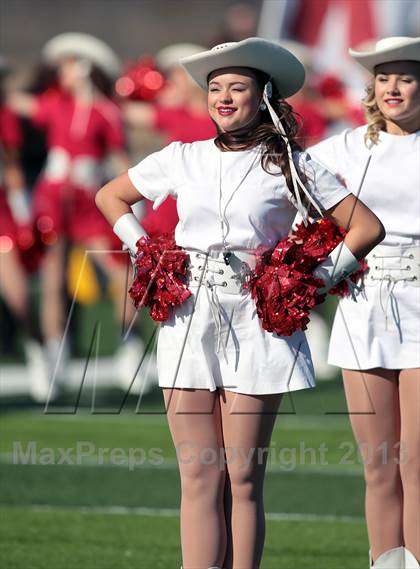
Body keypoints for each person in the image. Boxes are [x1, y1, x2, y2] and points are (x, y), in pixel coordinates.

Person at [96, 37, 384, 569]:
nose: (223, 98)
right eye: (214, 88)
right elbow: (109, 196)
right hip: (188, 317)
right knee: (200, 473)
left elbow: (365, 228)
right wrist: (148, 251)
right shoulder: (181, 157)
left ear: (264, 97)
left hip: (257, 321)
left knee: (243, 476)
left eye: (237, 87)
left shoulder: (292, 165)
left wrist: (310, 281)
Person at [308, 36, 420, 569]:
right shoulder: (344, 149)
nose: (393, 87)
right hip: (364, 302)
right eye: (383, 77)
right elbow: (284, 196)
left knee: (417, 463)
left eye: (405, 76)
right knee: (378, 462)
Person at [8, 33, 138, 394]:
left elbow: (120, 158)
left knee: (118, 272)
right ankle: (54, 358)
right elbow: (19, 104)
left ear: (83, 68)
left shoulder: (106, 112)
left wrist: (135, 199)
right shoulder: (55, 104)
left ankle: (129, 347)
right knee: (53, 279)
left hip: (90, 199)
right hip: (53, 196)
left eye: (67, 65)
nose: (60, 73)